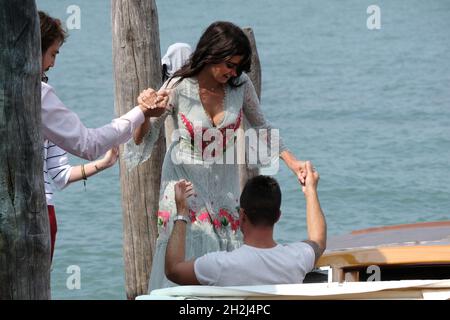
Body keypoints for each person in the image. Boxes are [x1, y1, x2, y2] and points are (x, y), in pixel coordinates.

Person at [128, 21, 307, 290]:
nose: (233, 72)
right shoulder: (178, 85)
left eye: (238, 67)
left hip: (223, 188)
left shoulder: (240, 85)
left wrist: (293, 163)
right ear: (211, 53)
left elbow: (262, 125)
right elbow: (142, 140)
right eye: (229, 64)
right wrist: (145, 115)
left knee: (220, 266)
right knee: (182, 260)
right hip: (182, 186)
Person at [164, 162, 326, 286]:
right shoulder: (296, 259)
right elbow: (318, 241)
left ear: (241, 216)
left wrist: (182, 212)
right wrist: (310, 190)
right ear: (277, 216)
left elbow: (173, 270)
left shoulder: (220, 266)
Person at [39, 11, 165, 161]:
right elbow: (89, 145)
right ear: (35, 50)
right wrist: (142, 111)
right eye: (53, 54)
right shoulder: (38, 94)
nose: (53, 64)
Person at [44, 142, 119, 261]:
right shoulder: (51, 123)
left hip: (43, 212)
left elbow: (61, 174)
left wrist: (105, 162)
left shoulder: (49, 123)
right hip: (40, 211)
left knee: (37, 277)